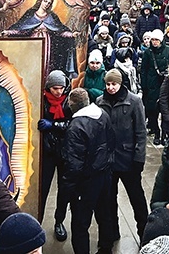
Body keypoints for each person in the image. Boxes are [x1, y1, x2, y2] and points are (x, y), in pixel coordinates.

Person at [96, 69, 148, 242]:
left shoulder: (133, 101)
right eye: (108, 84)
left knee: (137, 200)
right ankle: (112, 233)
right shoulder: (100, 101)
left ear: (120, 84)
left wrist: (139, 158)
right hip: (108, 161)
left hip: (128, 159)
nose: (111, 88)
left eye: (114, 84)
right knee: (109, 200)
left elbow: (141, 131)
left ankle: (145, 234)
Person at [62, 88, 115, 254]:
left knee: (80, 224)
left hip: (85, 182)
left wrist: (68, 188)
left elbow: (74, 163)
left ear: (73, 105)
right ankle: (106, 248)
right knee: (105, 214)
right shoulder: (103, 114)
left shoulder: (75, 127)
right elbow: (112, 141)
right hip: (105, 175)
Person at [38, 70, 72, 241]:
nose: (59, 92)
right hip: (47, 151)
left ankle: (59, 221)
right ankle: (37, 221)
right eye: (55, 88)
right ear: (48, 88)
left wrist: (53, 124)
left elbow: (72, 123)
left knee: (64, 189)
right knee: (41, 188)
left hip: (65, 150)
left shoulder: (69, 100)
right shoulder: (41, 99)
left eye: (61, 88)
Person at [141, 29, 169, 144]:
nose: (154, 42)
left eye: (156, 40)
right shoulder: (148, 52)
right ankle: (156, 132)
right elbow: (143, 70)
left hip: (165, 82)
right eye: (153, 40)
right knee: (152, 110)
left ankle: (164, 133)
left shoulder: (168, 51)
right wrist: (144, 85)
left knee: (165, 109)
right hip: (151, 83)